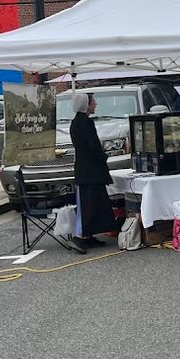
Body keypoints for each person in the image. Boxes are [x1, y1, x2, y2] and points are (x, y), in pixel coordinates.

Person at [69, 93, 116, 252]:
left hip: (84, 170)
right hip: (90, 170)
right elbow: (93, 146)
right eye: (93, 101)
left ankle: (88, 236)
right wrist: (103, 156)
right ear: (86, 105)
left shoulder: (75, 122)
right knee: (88, 205)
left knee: (94, 203)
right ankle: (80, 236)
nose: (95, 104)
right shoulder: (86, 122)